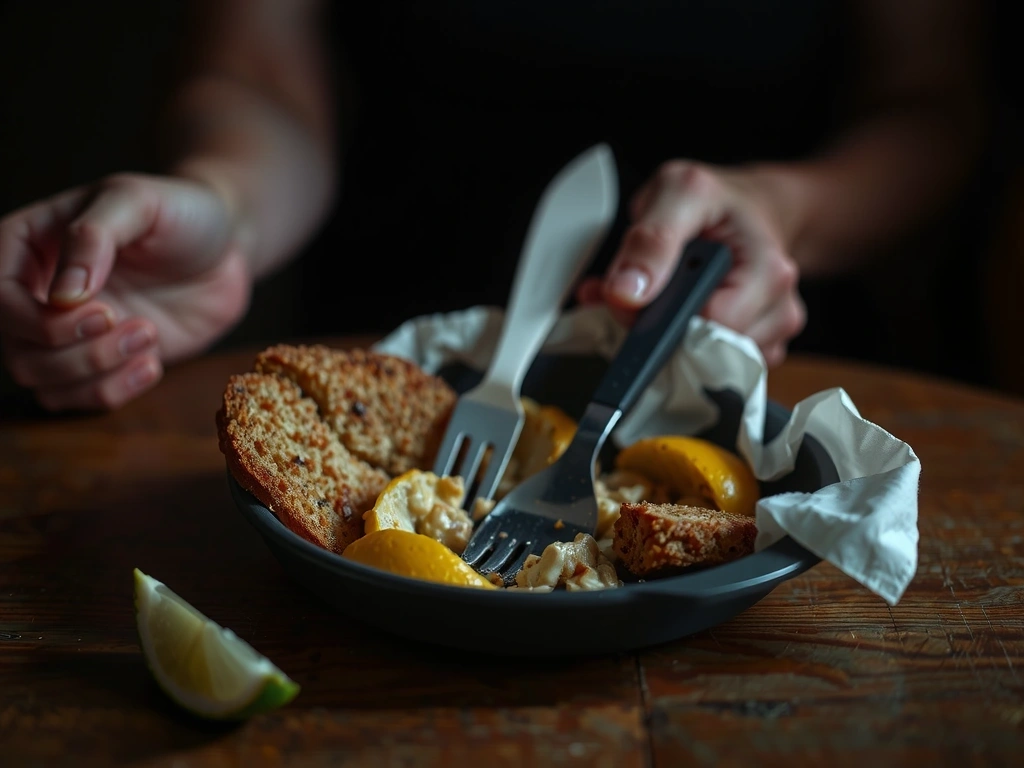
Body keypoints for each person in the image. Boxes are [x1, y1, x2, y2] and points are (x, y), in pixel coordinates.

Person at [0, 0, 986, 412]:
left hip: (764, 374)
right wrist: (222, 207)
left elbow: (934, 103)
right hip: (385, 362)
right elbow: (259, 74)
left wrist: (785, 209)